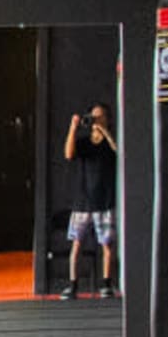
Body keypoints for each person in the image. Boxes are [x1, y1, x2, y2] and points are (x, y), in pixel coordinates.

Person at [61, 102, 120, 298]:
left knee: (107, 244)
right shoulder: (85, 143)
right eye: (93, 116)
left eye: (100, 116)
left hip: (104, 201)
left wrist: (104, 131)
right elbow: (69, 154)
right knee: (76, 244)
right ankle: (73, 284)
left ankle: (106, 283)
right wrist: (73, 128)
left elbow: (118, 152)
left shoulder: (110, 141)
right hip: (83, 201)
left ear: (107, 119)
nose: (96, 119)